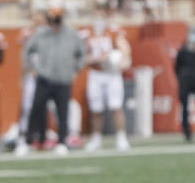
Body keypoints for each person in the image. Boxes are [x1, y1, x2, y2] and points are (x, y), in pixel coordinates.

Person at [19, 8, 85, 154]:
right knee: (36, 109)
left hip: (63, 79)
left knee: (62, 112)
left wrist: (76, 70)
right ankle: (28, 141)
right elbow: (27, 51)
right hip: (44, 78)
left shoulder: (72, 35)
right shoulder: (41, 34)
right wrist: (31, 69)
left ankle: (62, 142)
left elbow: (82, 54)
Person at [83, 14, 131, 152]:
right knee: (95, 108)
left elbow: (124, 48)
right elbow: (82, 56)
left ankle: (121, 138)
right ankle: (96, 138)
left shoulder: (113, 32)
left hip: (112, 74)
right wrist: (97, 59)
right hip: (96, 72)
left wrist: (124, 60)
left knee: (116, 106)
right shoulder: (87, 34)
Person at [175, 26, 195, 141]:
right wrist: (181, 78)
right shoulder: (183, 51)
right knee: (184, 107)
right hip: (185, 82)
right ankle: (187, 132)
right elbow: (176, 67)